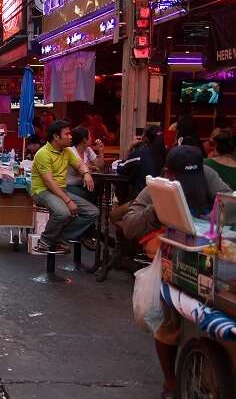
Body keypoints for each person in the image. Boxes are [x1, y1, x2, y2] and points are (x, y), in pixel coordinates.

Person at [116, 146, 233, 399]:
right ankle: (171, 382)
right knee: (167, 323)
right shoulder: (157, 187)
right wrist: (158, 210)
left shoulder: (209, 175)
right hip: (173, 260)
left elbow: (228, 202)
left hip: (211, 255)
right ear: (170, 174)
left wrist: (219, 216)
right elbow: (130, 226)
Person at [30, 120, 99, 252]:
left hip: (61, 190)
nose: (71, 137)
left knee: (93, 212)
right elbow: (49, 183)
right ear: (56, 137)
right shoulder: (43, 153)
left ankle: (59, 237)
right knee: (63, 213)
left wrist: (86, 173)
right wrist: (68, 201)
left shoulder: (67, 151)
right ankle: (44, 242)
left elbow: (80, 164)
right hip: (43, 191)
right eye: (67, 134)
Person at [116, 125, 167, 200]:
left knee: (115, 212)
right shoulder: (168, 154)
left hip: (142, 202)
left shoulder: (140, 154)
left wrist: (130, 147)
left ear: (145, 138)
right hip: (161, 200)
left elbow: (121, 168)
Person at [67, 126, 104, 202]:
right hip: (70, 185)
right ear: (84, 139)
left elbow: (100, 165)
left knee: (96, 190)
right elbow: (78, 167)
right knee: (88, 195)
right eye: (90, 136)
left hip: (83, 184)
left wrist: (100, 151)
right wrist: (90, 167)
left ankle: (94, 212)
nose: (91, 138)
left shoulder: (88, 150)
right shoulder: (70, 151)